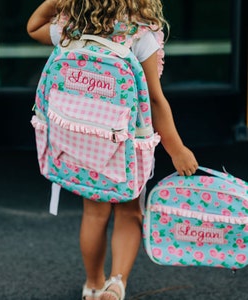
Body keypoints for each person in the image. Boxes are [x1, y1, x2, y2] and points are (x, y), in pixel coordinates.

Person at [27, 0, 198, 299]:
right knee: (130, 213)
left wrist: (56, 3)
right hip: (124, 145)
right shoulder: (140, 35)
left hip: (82, 142)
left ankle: (93, 283)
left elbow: (33, 28)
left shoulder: (71, 29)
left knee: (94, 215)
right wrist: (177, 149)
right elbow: (155, 101)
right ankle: (116, 282)